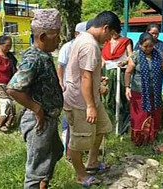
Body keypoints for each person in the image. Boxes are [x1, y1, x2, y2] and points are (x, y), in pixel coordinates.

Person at [6, 9, 63, 189]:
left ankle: (43, 184)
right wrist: (36, 108)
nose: (59, 40)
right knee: (36, 169)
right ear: (44, 36)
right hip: (39, 121)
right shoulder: (33, 58)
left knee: (56, 151)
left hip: (49, 118)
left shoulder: (43, 56)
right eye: (56, 36)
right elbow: (13, 88)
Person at [63, 11, 120, 187]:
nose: (110, 40)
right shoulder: (89, 45)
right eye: (111, 35)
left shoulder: (86, 40)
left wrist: (98, 83)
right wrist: (90, 106)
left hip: (91, 98)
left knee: (103, 126)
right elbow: (85, 77)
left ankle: (92, 163)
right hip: (80, 102)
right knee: (79, 140)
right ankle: (81, 175)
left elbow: (88, 74)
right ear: (105, 28)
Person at [124, 32, 163, 146]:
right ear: (140, 45)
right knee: (139, 116)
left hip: (155, 92)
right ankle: (139, 140)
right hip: (138, 93)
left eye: (151, 46)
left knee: (154, 114)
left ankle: (151, 138)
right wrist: (127, 87)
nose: (148, 49)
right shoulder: (135, 55)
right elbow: (128, 72)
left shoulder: (158, 55)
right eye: (145, 46)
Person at [57, 21, 87, 159]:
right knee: (69, 121)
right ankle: (67, 150)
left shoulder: (87, 47)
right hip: (69, 88)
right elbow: (61, 66)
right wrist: (61, 83)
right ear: (76, 34)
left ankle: (80, 149)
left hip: (83, 89)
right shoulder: (67, 47)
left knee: (81, 120)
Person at [101, 30, 133, 134]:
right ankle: (111, 126)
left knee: (123, 101)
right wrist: (100, 73)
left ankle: (122, 128)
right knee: (110, 100)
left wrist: (124, 62)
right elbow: (102, 60)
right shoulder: (106, 42)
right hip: (109, 74)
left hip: (121, 72)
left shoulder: (126, 41)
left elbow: (131, 56)